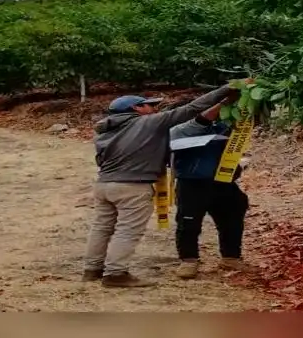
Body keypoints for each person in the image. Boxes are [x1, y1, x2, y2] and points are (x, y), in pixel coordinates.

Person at [82, 84, 239, 288]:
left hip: (104, 185)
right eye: (148, 105)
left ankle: (92, 269)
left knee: (101, 228)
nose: (154, 109)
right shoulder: (149, 123)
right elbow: (191, 109)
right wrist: (227, 90)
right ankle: (115, 273)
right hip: (133, 187)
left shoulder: (105, 131)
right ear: (136, 109)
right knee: (128, 230)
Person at [168, 101, 251, 279]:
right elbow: (202, 119)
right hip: (191, 183)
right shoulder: (179, 130)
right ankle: (189, 261)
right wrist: (228, 99)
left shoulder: (220, 127)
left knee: (234, 214)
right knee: (188, 222)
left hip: (222, 181)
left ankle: (230, 257)